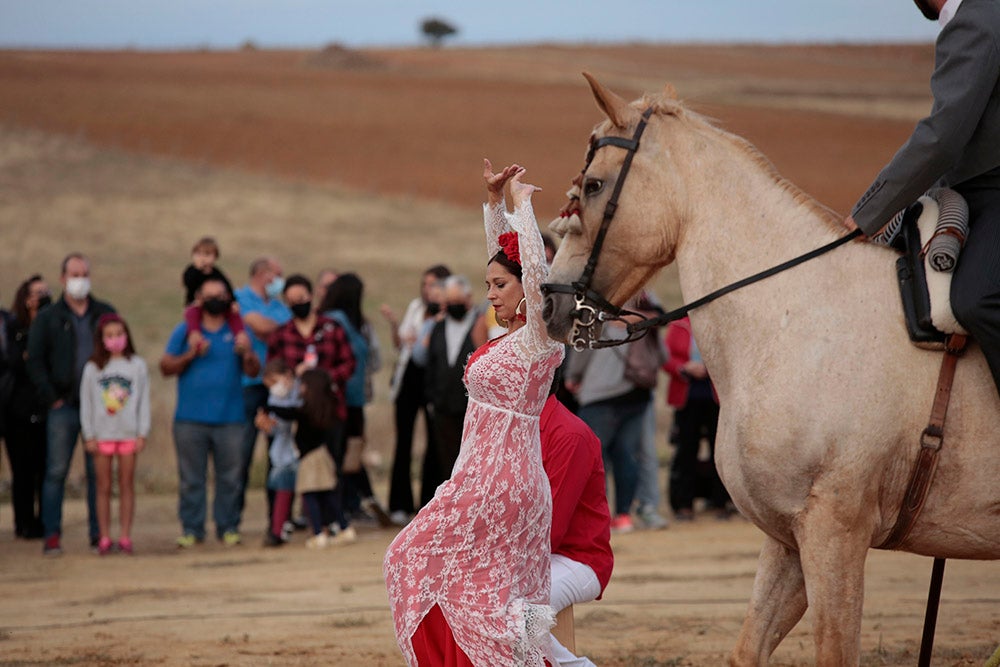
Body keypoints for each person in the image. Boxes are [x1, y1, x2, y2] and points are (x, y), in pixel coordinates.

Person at [384, 160, 565, 666]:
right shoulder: (514, 337)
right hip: (493, 475)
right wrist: (493, 204)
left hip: (497, 479)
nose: (489, 293)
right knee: (492, 594)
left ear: (525, 291)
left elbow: (531, 270)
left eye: (499, 287)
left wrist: (523, 208)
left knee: (412, 557)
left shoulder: (538, 338)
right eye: (487, 285)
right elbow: (505, 261)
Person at [844, 0, 1000, 396]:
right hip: (971, 188)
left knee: (975, 300)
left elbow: (943, 137)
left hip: (994, 190)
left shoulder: (980, 19)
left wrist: (868, 214)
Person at [160, 277, 260, 547]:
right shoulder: (185, 331)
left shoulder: (239, 332)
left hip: (231, 419)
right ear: (199, 300)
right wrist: (189, 355)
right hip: (190, 419)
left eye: (221, 294)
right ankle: (192, 529)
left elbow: (253, 370)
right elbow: (165, 366)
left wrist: (247, 353)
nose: (216, 299)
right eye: (210, 294)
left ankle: (228, 527)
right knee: (192, 479)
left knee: (230, 478)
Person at [27, 252, 116, 555]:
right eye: (74, 274)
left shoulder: (103, 313)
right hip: (63, 405)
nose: (80, 280)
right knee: (56, 471)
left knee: (98, 472)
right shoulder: (49, 317)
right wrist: (50, 397)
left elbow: (119, 352)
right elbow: (35, 361)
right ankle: (52, 533)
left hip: (99, 406)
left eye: (84, 274)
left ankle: (98, 533)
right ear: (63, 279)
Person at [267, 274, 357, 536]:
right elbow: (272, 371)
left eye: (303, 299)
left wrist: (322, 377)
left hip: (330, 411)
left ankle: (332, 522)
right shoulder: (281, 335)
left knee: (331, 469)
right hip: (296, 416)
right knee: (292, 469)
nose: (299, 304)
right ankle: (285, 523)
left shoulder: (331, 328)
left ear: (312, 297)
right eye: (292, 301)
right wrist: (292, 377)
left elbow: (349, 363)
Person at [539, 388, 614, 667]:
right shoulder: (514, 427)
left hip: (580, 560)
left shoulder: (570, 435)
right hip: (536, 556)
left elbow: (551, 530)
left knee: (513, 608)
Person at [565, 324, 653, 534]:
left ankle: (598, 516)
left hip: (600, 397)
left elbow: (580, 355)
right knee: (627, 457)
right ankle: (624, 515)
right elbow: (663, 354)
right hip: (636, 394)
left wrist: (572, 377)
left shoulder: (595, 320)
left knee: (595, 459)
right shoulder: (644, 320)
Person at [318, 272, 390, 527]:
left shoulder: (355, 321)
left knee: (353, 451)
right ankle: (345, 505)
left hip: (356, 397)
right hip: (340, 398)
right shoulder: (336, 321)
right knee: (342, 453)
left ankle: (353, 502)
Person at [381, 264, 450, 525]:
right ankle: (399, 503)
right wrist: (396, 326)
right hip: (410, 376)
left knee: (434, 442)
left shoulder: (449, 312)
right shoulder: (416, 308)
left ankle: (428, 501)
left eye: (432, 284)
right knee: (404, 441)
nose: (427, 290)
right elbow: (402, 343)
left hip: (434, 379)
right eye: (424, 284)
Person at [256, 369, 356, 548]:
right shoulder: (326, 408)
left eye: (302, 385)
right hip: (321, 457)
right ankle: (343, 527)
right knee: (327, 495)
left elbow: (289, 413)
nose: (299, 388)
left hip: (310, 459)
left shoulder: (308, 410)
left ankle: (318, 533)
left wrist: (267, 407)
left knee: (310, 495)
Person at [80, 314, 150, 555]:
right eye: (109, 335)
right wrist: (89, 434)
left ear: (127, 335)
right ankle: (104, 536)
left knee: (127, 484)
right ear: (101, 339)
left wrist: (143, 432)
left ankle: (125, 536)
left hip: (128, 433)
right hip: (102, 434)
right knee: (103, 486)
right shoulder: (93, 368)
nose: (115, 339)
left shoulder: (136, 365)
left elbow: (143, 401)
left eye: (119, 334)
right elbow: (86, 403)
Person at [233, 257, 291, 517]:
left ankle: (277, 519)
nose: (280, 281)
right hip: (248, 387)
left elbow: (269, 328)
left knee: (278, 455)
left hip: (277, 388)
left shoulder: (279, 305)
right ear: (262, 274)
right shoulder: (240, 297)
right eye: (276, 275)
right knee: (241, 453)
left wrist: (268, 328)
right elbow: (257, 324)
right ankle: (232, 519)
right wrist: (271, 328)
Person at [421, 274, 485, 501]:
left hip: (470, 409)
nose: (454, 306)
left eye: (458, 300)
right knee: (445, 462)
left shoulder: (480, 325)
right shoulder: (437, 328)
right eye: (450, 302)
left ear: (468, 299)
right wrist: (431, 398)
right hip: (442, 407)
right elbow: (430, 364)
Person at [661, 316, 729, 520]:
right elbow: (666, 358)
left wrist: (713, 367)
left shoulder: (718, 319)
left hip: (717, 398)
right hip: (687, 397)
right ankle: (684, 504)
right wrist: (684, 367)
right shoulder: (679, 324)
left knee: (720, 452)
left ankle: (721, 502)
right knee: (686, 450)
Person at [1, 276, 50, 539]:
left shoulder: (53, 325)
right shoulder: (12, 326)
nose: (41, 297)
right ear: (25, 297)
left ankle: (46, 520)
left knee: (45, 468)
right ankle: (23, 521)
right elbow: (16, 361)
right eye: (36, 293)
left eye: (45, 292)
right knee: (22, 470)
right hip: (16, 409)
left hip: (44, 406)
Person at [181, 236, 249, 358]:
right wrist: (198, 269)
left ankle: (240, 340)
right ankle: (199, 342)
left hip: (220, 304)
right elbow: (188, 282)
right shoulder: (192, 271)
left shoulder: (217, 273)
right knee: (192, 317)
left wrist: (233, 301)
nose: (203, 258)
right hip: (196, 304)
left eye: (207, 254)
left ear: (215, 257)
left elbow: (227, 287)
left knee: (234, 315)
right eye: (198, 254)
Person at [257, 358, 300, 547]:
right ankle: (277, 530)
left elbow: (294, 413)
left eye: (276, 382)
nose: (275, 388)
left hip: (301, 450)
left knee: (312, 491)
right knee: (282, 488)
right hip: (282, 454)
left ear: (288, 376)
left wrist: (271, 411)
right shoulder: (274, 398)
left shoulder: (300, 391)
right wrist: (266, 425)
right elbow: (277, 425)